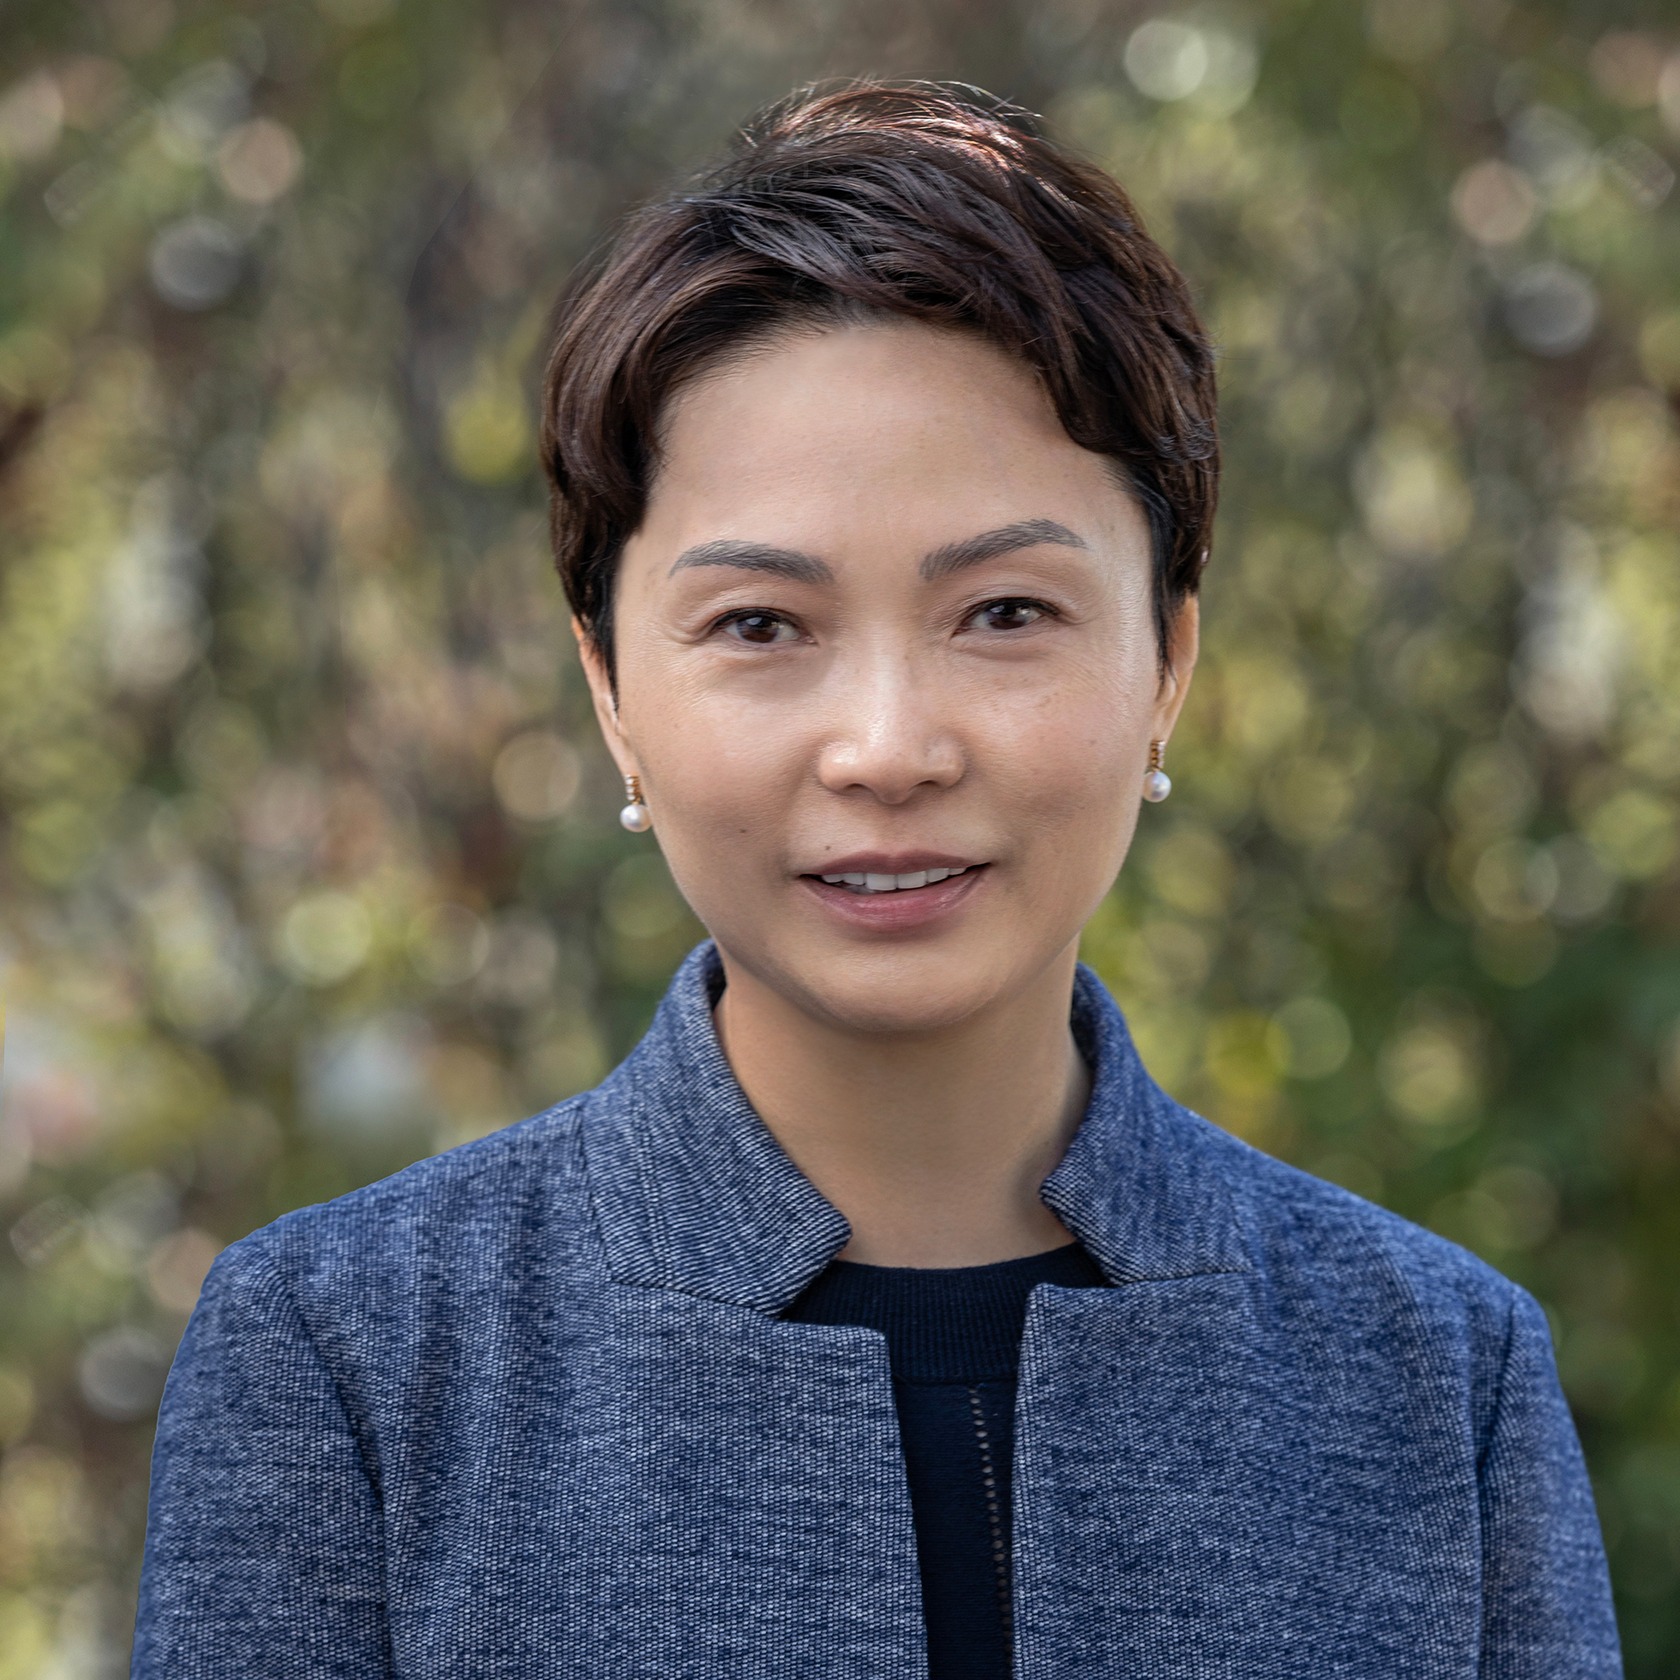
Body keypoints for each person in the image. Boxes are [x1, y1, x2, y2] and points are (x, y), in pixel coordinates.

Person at [132, 79, 1621, 1679]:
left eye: (1006, 613)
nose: (889, 750)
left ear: (1169, 664)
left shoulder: (1437, 1374)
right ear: (612, 689)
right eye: (761, 625)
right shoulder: (346, 1358)